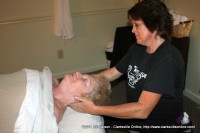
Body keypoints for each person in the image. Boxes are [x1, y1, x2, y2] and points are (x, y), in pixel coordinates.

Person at [71, 0, 185, 133]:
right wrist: (87, 79)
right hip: (136, 120)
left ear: (154, 26)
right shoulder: (138, 47)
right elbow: (114, 72)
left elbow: (142, 110)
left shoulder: (166, 60)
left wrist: (94, 109)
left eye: (137, 25)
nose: (132, 30)